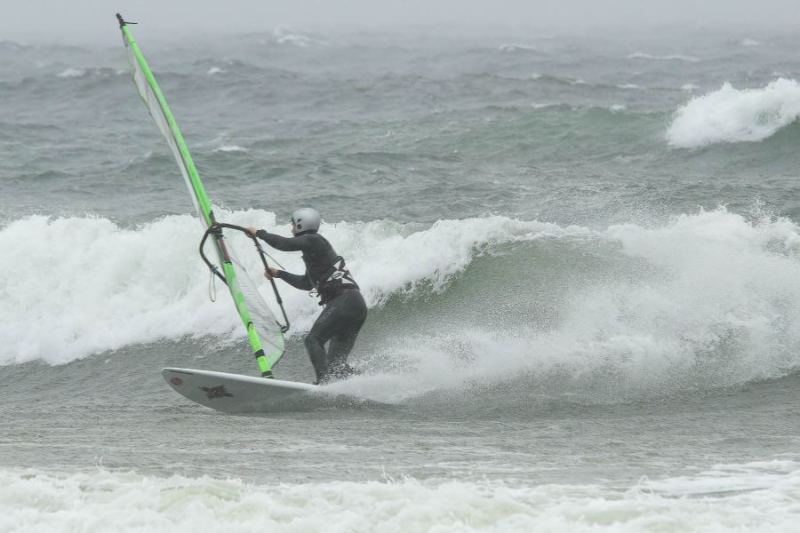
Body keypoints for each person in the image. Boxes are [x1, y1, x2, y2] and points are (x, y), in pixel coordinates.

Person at [246, 208, 367, 384]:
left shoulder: (314, 240)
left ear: (301, 224)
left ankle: (323, 384)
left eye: (293, 224)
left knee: (313, 340)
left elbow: (284, 244)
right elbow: (306, 283)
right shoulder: (316, 255)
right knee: (336, 366)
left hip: (345, 300)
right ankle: (364, 383)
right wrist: (279, 273)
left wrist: (259, 233)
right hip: (355, 305)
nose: (291, 228)